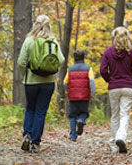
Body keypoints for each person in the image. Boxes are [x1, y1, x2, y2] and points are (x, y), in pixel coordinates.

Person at [17, 15, 65, 153]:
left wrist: (25, 74)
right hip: (48, 82)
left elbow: (21, 62)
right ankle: (35, 142)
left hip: (31, 81)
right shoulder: (53, 41)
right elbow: (61, 60)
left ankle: (27, 135)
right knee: (40, 111)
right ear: (49, 25)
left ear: (35, 24)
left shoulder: (29, 40)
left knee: (30, 108)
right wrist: (51, 69)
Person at [99, 26, 132, 154]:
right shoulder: (131, 52)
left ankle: (113, 144)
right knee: (124, 114)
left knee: (115, 115)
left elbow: (103, 70)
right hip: (127, 86)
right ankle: (121, 137)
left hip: (114, 87)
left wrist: (109, 79)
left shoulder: (108, 52)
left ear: (114, 37)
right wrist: (131, 80)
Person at [64, 49, 95, 141]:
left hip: (73, 96)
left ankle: (73, 135)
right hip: (85, 96)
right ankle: (81, 120)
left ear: (74, 58)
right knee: (84, 112)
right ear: (84, 57)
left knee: (72, 115)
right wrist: (92, 93)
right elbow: (92, 82)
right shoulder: (88, 68)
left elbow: (65, 83)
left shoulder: (70, 69)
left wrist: (68, 91)